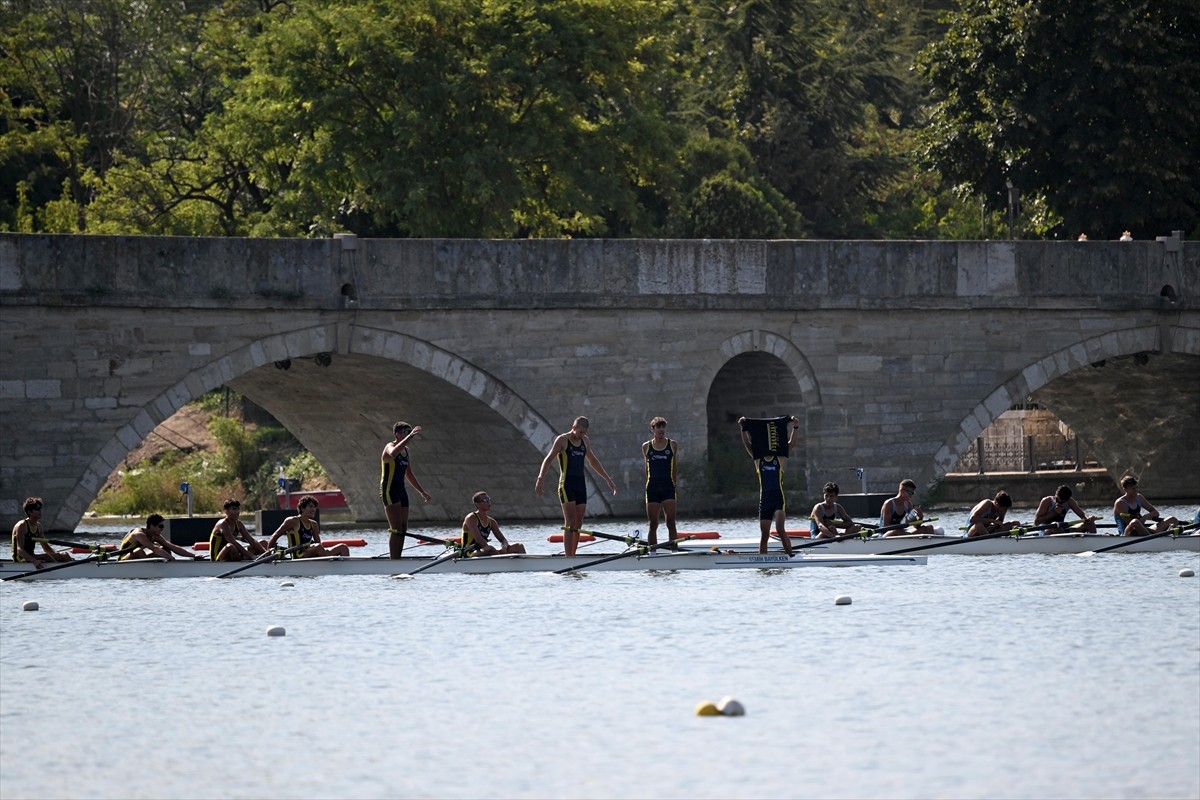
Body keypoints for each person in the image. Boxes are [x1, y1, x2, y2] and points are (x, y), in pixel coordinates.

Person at [534, 416, 618, 557]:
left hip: (580, 484)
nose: (582, 435)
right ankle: (568, 557)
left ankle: (574, 554)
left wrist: (608, 479)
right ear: (573, 427)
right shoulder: (562, 440)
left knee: (579, 521)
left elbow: (593, 461)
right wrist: (541, 477)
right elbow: (548, 459)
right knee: (570, 521)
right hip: (566, 484)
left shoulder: (585, 441)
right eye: (580, 432)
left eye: (584, 432)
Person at [738, 415, 799, 555]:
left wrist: (795, 427)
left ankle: (790, 556)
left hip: (778, 499)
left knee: (780, 529)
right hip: (764, 500)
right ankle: (763, 561)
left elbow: (790, 444)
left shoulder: (779, 459)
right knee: (764, 534)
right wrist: (743, 429)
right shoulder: (758, 461)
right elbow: (748, 445)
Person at [380, 421, 432, 559]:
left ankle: (398, 558)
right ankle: (393, 560)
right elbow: (393, 453)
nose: (409, 435)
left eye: (410, 432)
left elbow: (409, 474)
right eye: (406, 432)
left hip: (401, 490)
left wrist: (422, 491)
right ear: (397, 434)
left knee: (403, 527)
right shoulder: (389, 446)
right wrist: (409, 437)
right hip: (389, 490)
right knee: (396, 527)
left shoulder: (406, 451)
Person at [265, 495, 351, 558]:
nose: (313, 510)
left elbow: (319, 544)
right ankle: (327, 566)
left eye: (314, 507)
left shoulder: (314, 524)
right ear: (302, 508)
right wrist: (269, 550)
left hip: (311, 551)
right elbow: (276, 535)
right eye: (310, 507)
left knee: (343, 547)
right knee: (318, 547)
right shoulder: (292, 521)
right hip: (298, 555)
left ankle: (345, 570)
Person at [642, 417, 679, 550]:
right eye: (658, 427)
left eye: (663, 427)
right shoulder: (646, 446)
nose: (661, 430)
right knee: (653, 523)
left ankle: (674, 551)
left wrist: (674, 484)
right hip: (652, 488)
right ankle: (653, 552)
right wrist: (648, 485)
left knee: (671, 522)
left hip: (668, 487)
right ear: (653, 430)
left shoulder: (672, 445)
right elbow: (646, 469)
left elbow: (674, 467)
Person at [10, 497, 72, 569]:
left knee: (64, 555)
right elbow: (19, 550)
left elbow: (46, 548)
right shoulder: (21, 525)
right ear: (30, 512)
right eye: (37, 509)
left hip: (32, 556)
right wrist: (34, 561)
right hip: (20, 558)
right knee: (47, 556)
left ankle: (74, 566)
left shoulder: (39, 526)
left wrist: (58, 556)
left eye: (40, 509)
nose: (40, 511)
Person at [461, 492, 526, 556]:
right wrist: (497, 553)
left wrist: (504, 547)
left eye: (489, 499)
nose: (488, 502)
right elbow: (479, 540)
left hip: (485, 550)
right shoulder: (471, 518)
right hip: (469, 552)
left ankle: (525, 565)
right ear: (477, 504)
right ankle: (503, 563)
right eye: (485, 500)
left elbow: (503, 539)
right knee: (490, 549)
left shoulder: (491, 522)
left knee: (519, 546)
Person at [1112, 475, 1178, 536]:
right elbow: (1131, 524)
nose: (1136, 491)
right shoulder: (1120, 503)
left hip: (1142, 529)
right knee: (1135, 522)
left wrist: (1146, 516)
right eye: (1133, 489)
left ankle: (1160, 536)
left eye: (1136, 488)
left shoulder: (1139, 497)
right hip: (1127, 533)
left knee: (1172, 519)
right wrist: (1150, 528)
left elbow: (1156, 513)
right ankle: (1156, 537)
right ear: (1125, 489)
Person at [120, 514, 200, 560]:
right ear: (151, 526)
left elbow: (172, 547)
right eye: (160, 526)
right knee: (139, 551)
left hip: (138, 559)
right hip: (124, 559)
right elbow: (154, 548)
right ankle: (147, 570)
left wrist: (193, 555)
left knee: (165, 550)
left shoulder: (155, 536)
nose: (162, 529)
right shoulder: (139, 534)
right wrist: (172, 559)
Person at [1033, 484, 1098, 533]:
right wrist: (1054, 513)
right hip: (1046, 530)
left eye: (1063, 502)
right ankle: (1067, 542)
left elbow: (1082, 515)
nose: (1060, 503)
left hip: (1062, 529)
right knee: (1055, 525)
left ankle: (1094, 542)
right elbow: (1036, 522)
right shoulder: (1046, 501)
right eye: (1058, 500)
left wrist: (1089, 518)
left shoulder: (1070, 501)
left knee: (1090, 524)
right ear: (1056, 495)